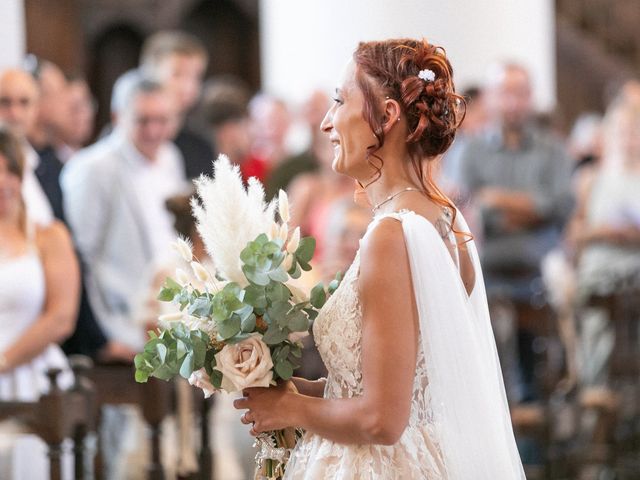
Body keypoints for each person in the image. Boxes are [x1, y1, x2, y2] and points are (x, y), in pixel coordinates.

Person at [233, 38, 525, 479]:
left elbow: (382, 420)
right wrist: (296, 390)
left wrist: (289, 408)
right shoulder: (449, 219)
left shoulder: (392, 234)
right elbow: (398, 382)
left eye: (339, 100)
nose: (327, 123)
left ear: (387, 115)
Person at [0, 125, 79, 478]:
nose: (3, 182)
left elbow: (61, 317)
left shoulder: (49, 236)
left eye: (10, 170)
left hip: (34, 376)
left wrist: (3, 362)